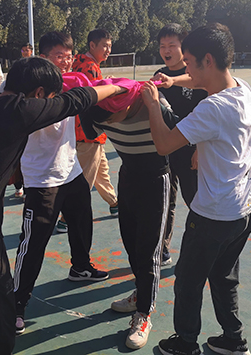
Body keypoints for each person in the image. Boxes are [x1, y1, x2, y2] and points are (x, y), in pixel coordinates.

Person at [0, 57, 125, 354]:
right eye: (48, 98)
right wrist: (118, 87)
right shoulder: (20, 112)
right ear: (39, 94)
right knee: (0, 337)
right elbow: (78, 99)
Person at [146, 24, 251, 355]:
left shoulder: (212, 108)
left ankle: (185, 343)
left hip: (213, 213)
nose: (185, 70)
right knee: (224, 276)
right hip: (245, 206)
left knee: (188, 280)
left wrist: (153, 104)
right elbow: (201, 91)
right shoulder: (242, 88)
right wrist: (171, 84)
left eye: (189, 62)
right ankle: (233, 339)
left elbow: (165, 144)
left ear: (207, 60)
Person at [13, 32, 110, 335]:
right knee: (33, 243)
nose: (66, 62)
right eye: (59, 56)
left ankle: (81, 267)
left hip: (70, 169)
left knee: (82, 222)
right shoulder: (27, 89)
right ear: (43, 58)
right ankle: (16, 303)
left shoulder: (70, 82)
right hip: (41, 178)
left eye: (69, 56)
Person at [80, 81, 177, 350]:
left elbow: (185, 133)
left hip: (156, 180)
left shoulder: (154, 103)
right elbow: (88, 122)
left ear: (123, 104)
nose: (109, 123)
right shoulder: (98, 113)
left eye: (113, 117)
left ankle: (144, 314)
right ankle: (140, 293)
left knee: (149, 250)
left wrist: (155, 105)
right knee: (131, 243)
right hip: (128, 177)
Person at [153, 23, 208, 266]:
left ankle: (203, 249)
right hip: (166, 149)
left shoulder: (195, 73)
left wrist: (199, 148)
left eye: (172, 45)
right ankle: (163, 249)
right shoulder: (159, 74)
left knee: (195, 200)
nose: (166, 50)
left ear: (183, 47)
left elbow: (206, 115)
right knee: (164, 201)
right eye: (162, 46)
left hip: (190, 149)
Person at [71, 29, 118, 232]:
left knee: (101, 171)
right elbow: (94, 98)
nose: (108, 50)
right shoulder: (89, 67)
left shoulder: (82, 63)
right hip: (88, 131)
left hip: (88, 131)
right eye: (104, 46)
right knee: (85, 178)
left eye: (110, 46)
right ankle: (67, 218)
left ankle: (114, 203)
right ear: (92, 45)